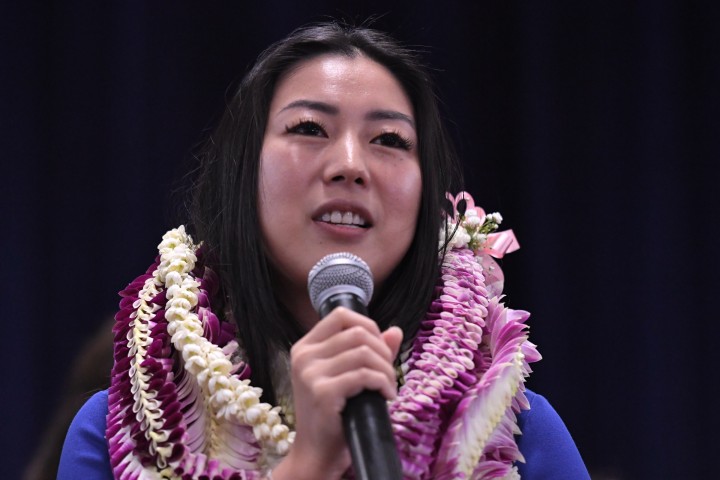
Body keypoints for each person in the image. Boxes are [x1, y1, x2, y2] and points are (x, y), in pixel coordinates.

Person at [58, 22, 590, 479]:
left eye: (389, 139)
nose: (350, 164)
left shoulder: (522, 433)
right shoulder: (116, 435)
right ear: (242, 177)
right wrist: (308, 460)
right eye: (310, 128)